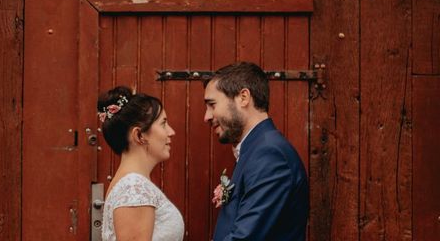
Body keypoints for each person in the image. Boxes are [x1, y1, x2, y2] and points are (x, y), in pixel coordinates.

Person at [203, 62, 309, 241]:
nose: (207, 116)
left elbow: (245, 237)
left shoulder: (270, 154)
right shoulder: (255, 149)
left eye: (212, 105)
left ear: (243, 97)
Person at [98, 86, 184, 241]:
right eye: (163, 123)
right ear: (139, 135)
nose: (171, 132)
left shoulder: (132, 184)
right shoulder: (134, 189)